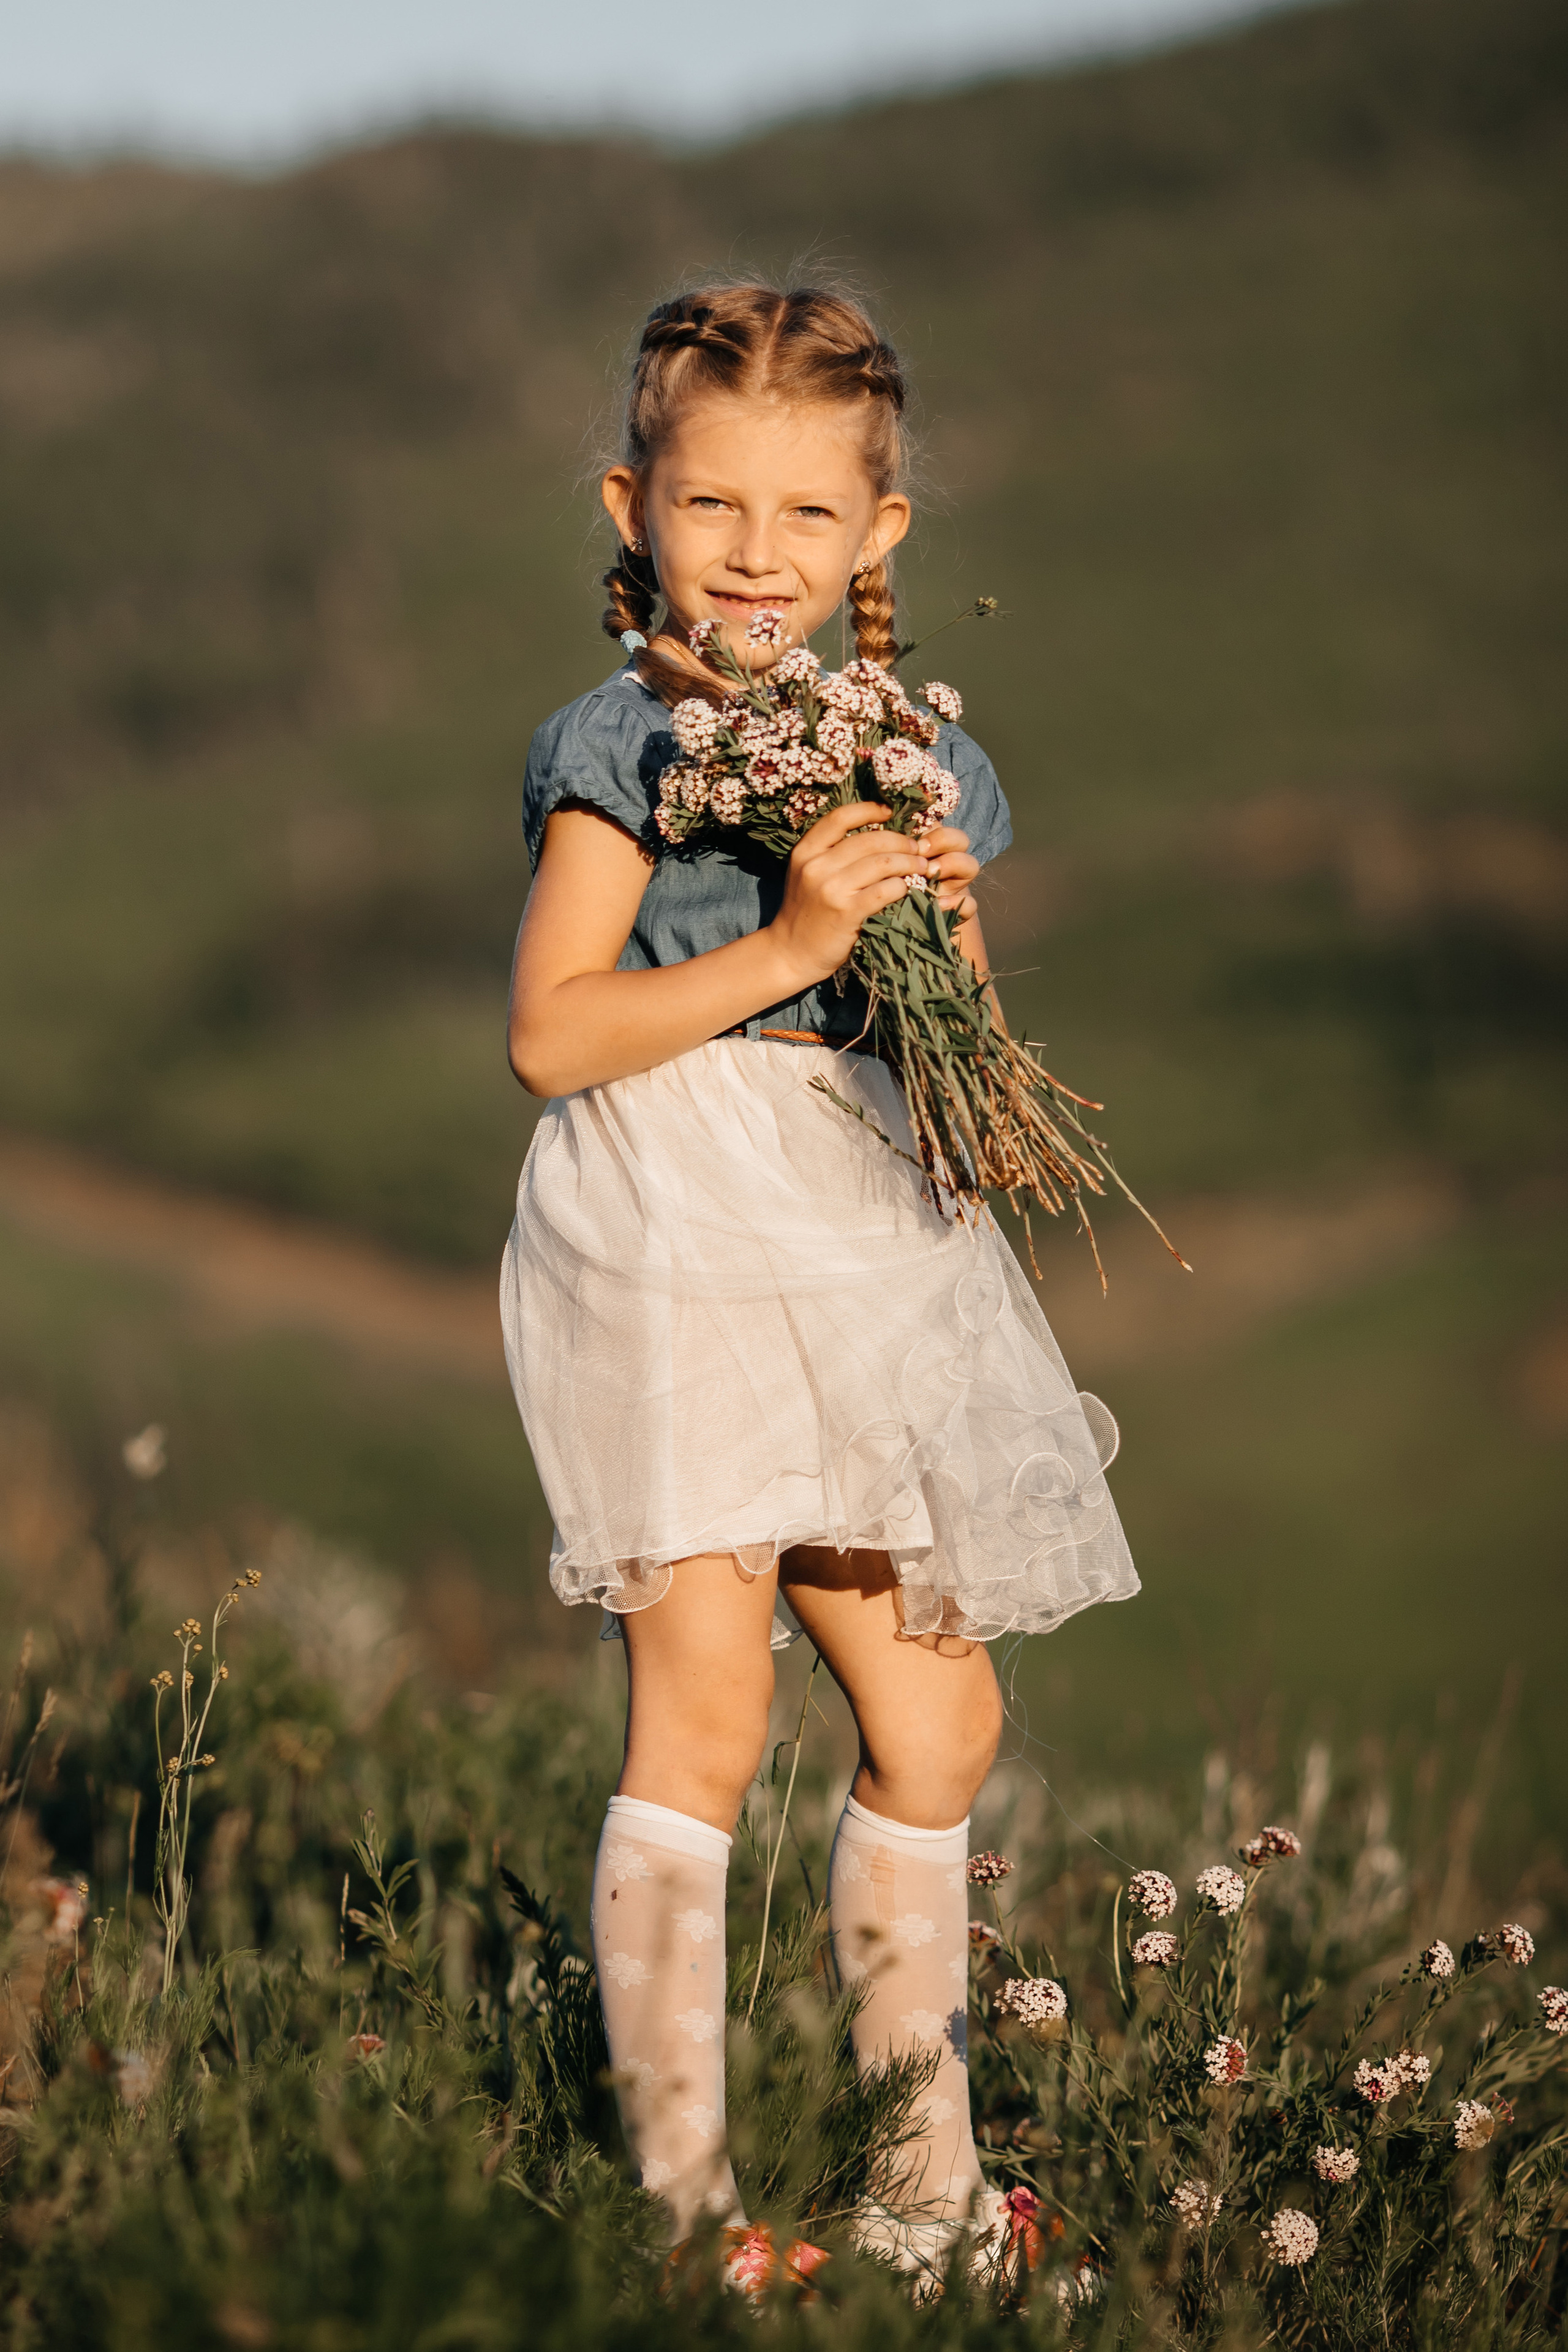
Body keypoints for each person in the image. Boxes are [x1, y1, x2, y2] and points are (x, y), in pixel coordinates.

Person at [500, 280, 1137, 2282]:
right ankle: (691, 2223)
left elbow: (947, 1058)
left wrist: (944, 970)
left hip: (860, 1222)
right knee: (701, 1707)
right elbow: (553, 1031)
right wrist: (789, 945)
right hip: (673, 1212)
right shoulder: (627, 745)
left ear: (880, 536)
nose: (755, 554)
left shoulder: (929, 761)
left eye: (802, 514)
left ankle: (919, 2195)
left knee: (938, 1727)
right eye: (710, 509)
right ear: (633, 507)